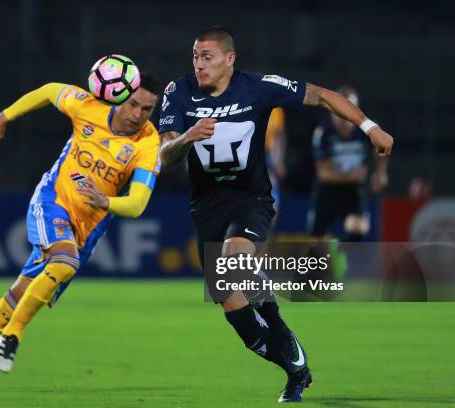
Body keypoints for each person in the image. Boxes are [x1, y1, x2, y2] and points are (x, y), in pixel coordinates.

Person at [158, 26, 393, 403]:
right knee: (231, 304)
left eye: (207, 57)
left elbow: (324, 97)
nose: (199, 64)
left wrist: (370, 127)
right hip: (206, 207)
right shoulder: (178, 92)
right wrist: (187, 137)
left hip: (250, 198)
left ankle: (279, 327)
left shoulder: (259, 86)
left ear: (229, 59)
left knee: (236, 258)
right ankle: (294, 369)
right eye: (195, 57)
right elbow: (164, 157)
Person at [0, 73, 161, 390]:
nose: (138, 114)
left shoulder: (148, 144)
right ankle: (13, 336)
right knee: (64, 263)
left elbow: (137, 205)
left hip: (86, 229)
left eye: (147, 109)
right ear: (120, 97)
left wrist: (105, 201)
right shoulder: (88, 106)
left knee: (16, 298)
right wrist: (3, 118)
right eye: (134, 104)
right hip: (52, 201)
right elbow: (50, 91)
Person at [308, 85, 389, 242]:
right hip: (327, 191)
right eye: (340, 108)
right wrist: (353, 176)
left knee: (359, 229)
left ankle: (340, 254)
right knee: (316, 240)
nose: (345, 115)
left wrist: (380, 173)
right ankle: (328, 254)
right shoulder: (323, 132)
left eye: (351, 107)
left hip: (352, 191)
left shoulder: (366, 130)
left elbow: (383, 146)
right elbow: (323, 174)